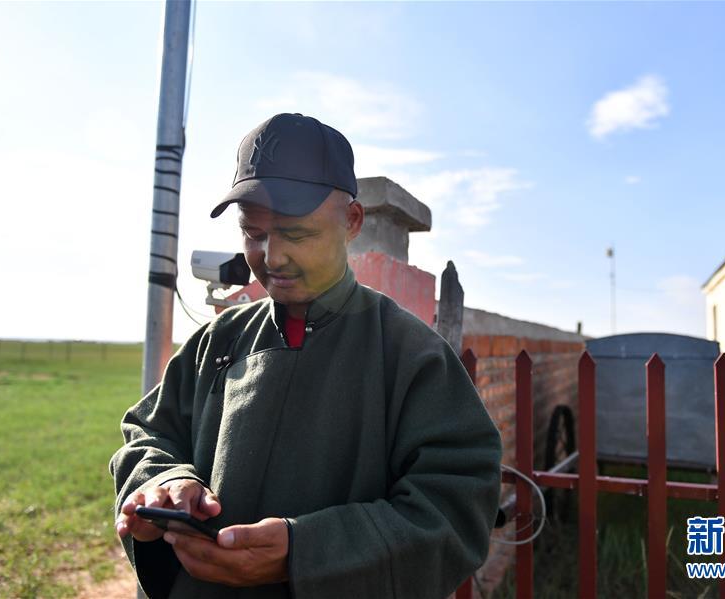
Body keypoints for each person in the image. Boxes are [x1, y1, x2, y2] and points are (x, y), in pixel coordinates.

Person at [110, 113, 503, 599]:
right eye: (253, 233)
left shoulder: (412, 356)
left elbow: (456, 509)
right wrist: (164, 483)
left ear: (351, 221)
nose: (272, 257)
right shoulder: (218, 341)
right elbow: (148, 433)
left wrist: (306, 553)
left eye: (296, 234)